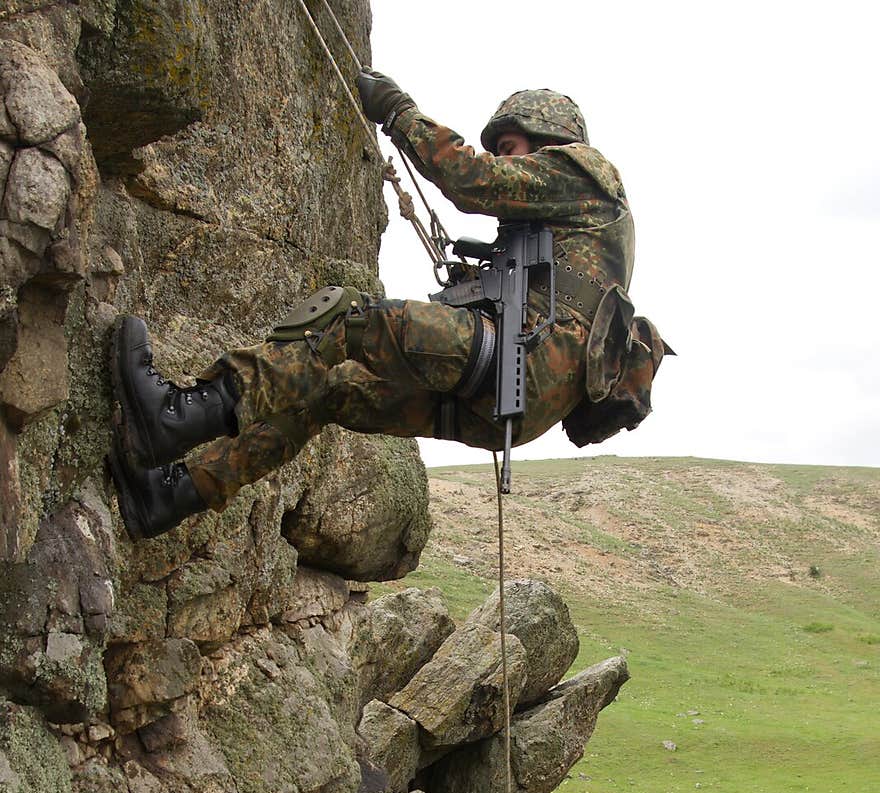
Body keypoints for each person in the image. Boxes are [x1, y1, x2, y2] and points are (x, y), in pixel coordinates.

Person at [108, 74, 669, 540]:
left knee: (348, 322)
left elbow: (471, 179)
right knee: (328, 390)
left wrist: (398, 112)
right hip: (513, 403)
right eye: (501, 148)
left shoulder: (584, 172)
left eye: (511, 146)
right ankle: (175, 495)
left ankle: (178, 415)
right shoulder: (566, 230)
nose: (505, 157)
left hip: (517, 363)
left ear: (550, 138)